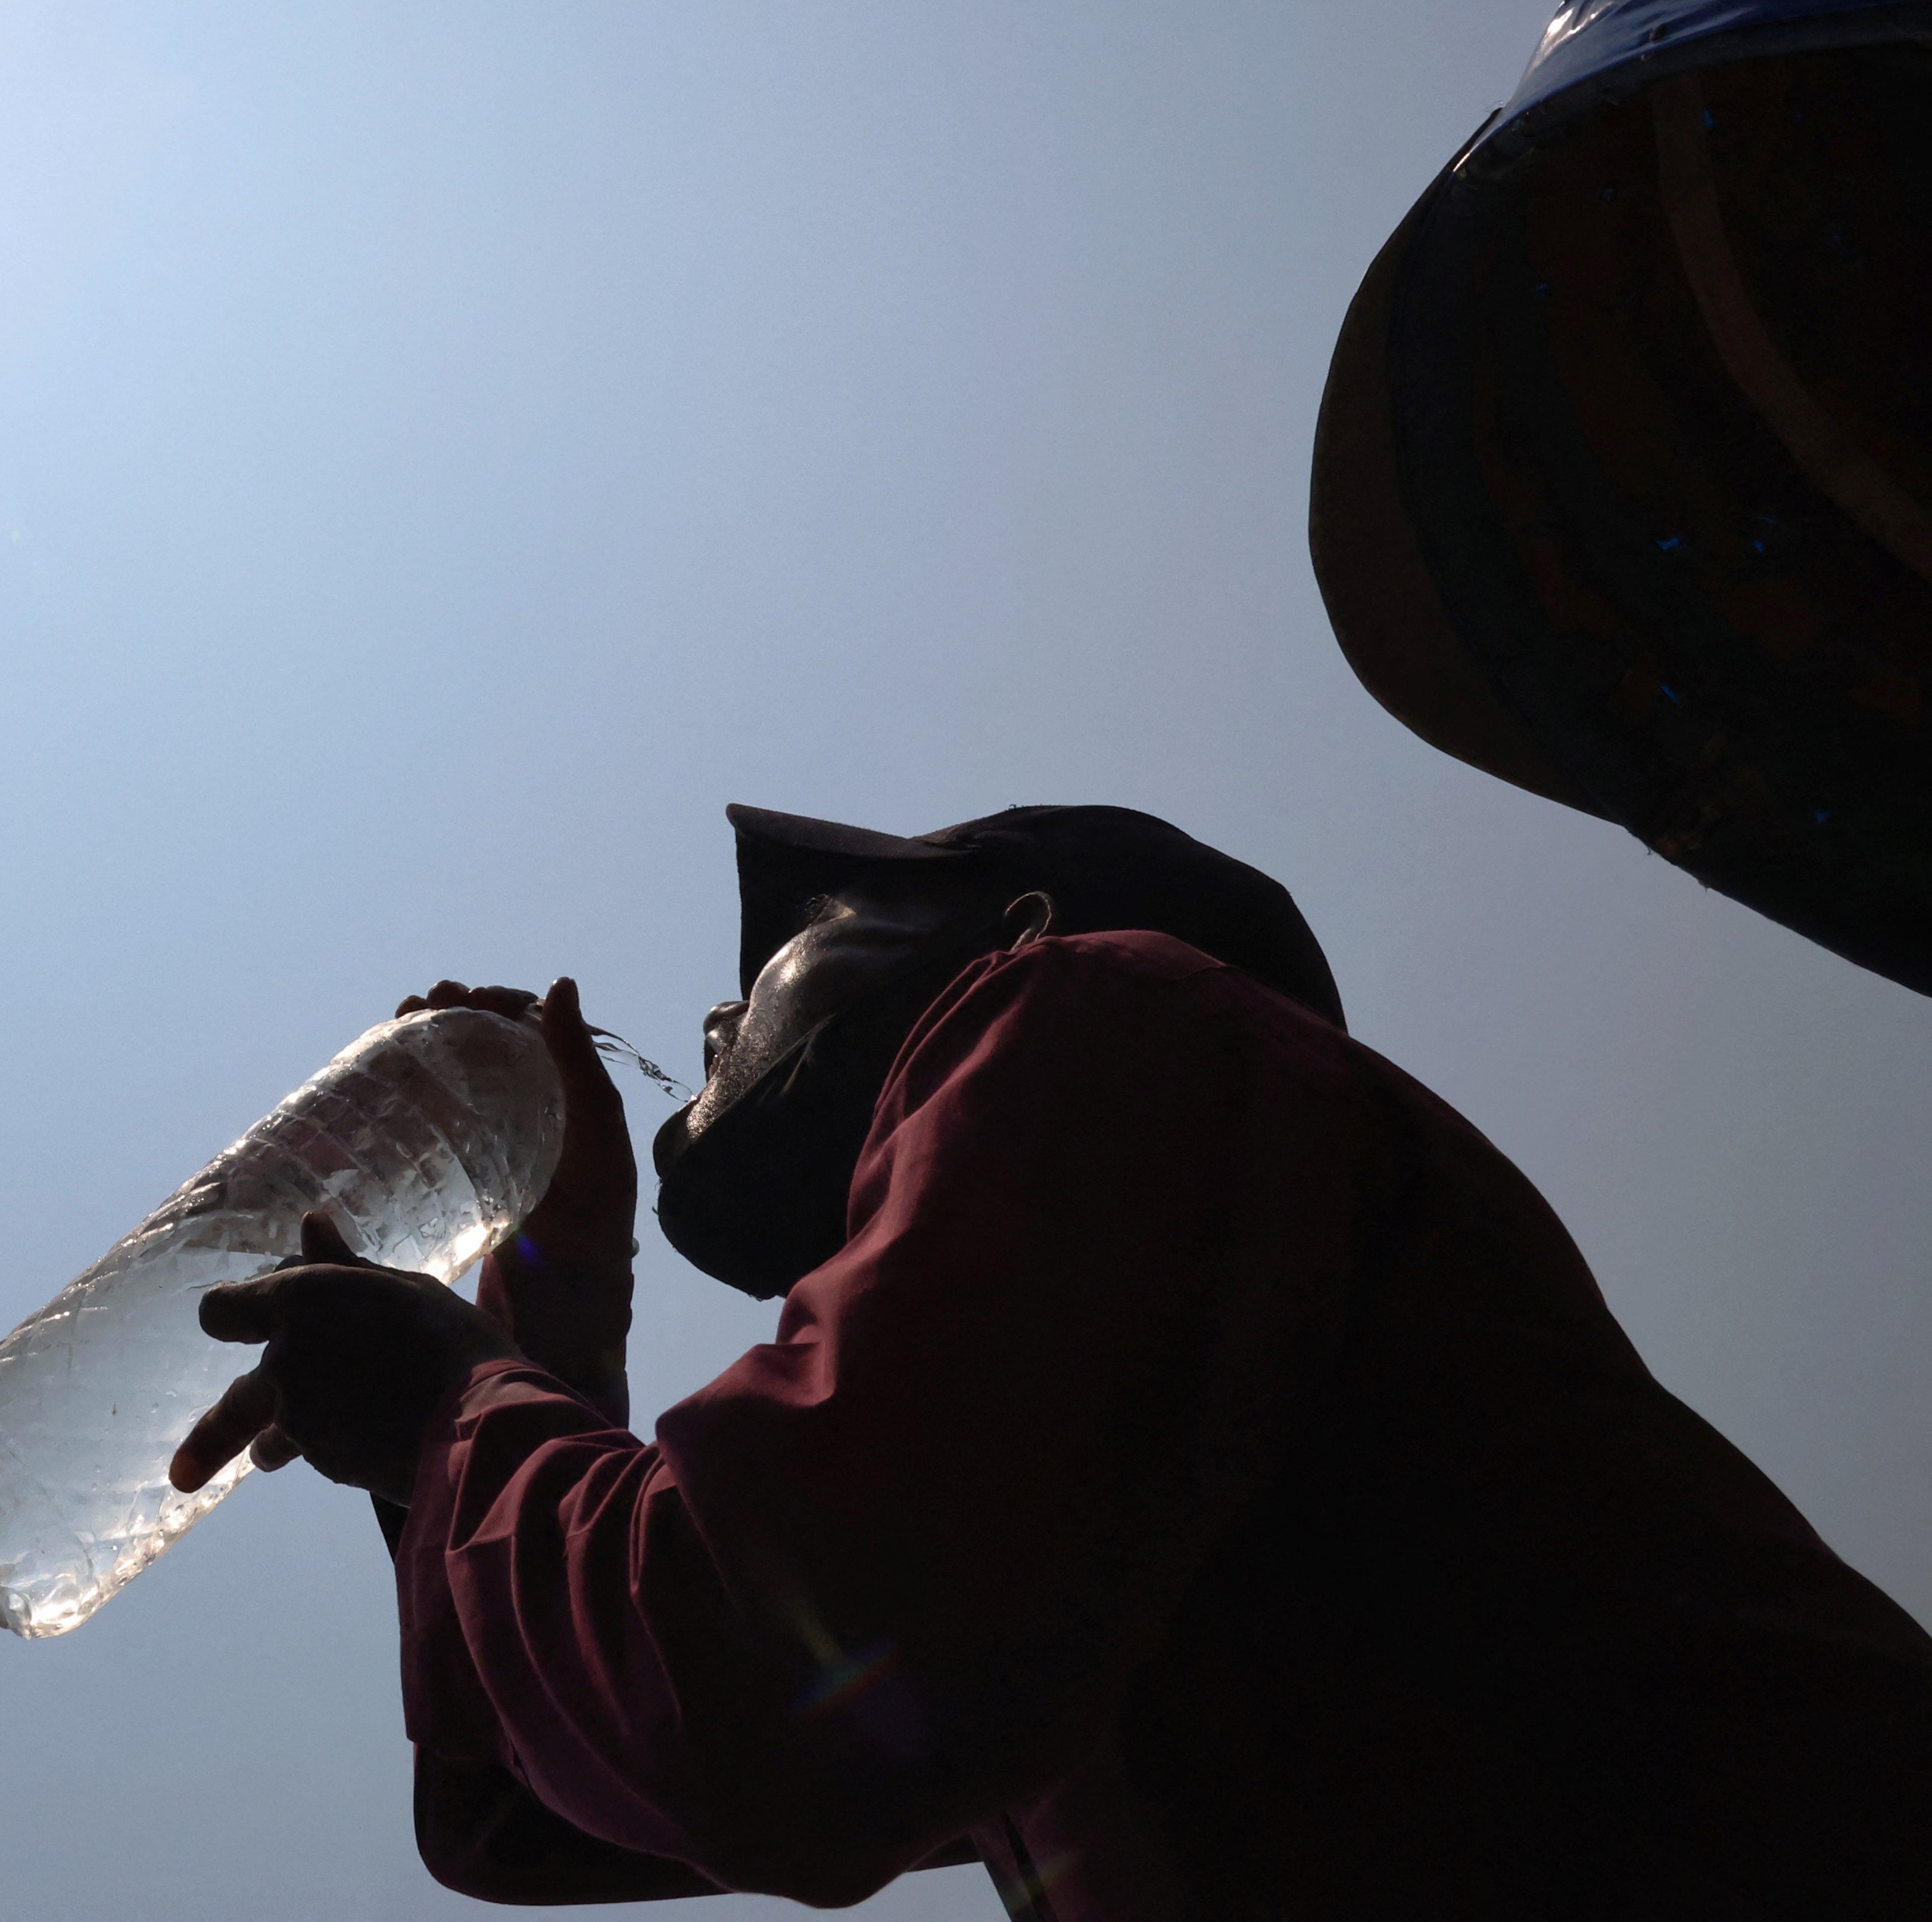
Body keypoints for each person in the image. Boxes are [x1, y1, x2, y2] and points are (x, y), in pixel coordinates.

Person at [168, 803, 1932, 1918]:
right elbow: (521, 1800)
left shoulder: (1105, 1008)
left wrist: (446, 1403)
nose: (717, 1007)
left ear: (1005, 931)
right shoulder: (1069, 1519)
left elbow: (751, 1690)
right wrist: (550, 1292)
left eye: (791, 938)